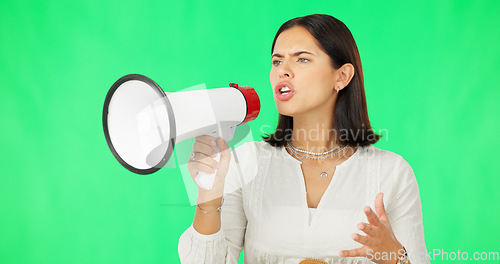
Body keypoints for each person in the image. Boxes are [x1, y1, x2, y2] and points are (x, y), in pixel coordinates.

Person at [178, 14, 429, 264]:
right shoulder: (246, 162)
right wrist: (207, 197)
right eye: (277, 62)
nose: (282, 72)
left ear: (341, 76)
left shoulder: (393, 172)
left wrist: (398, 259)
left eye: (302, 59)